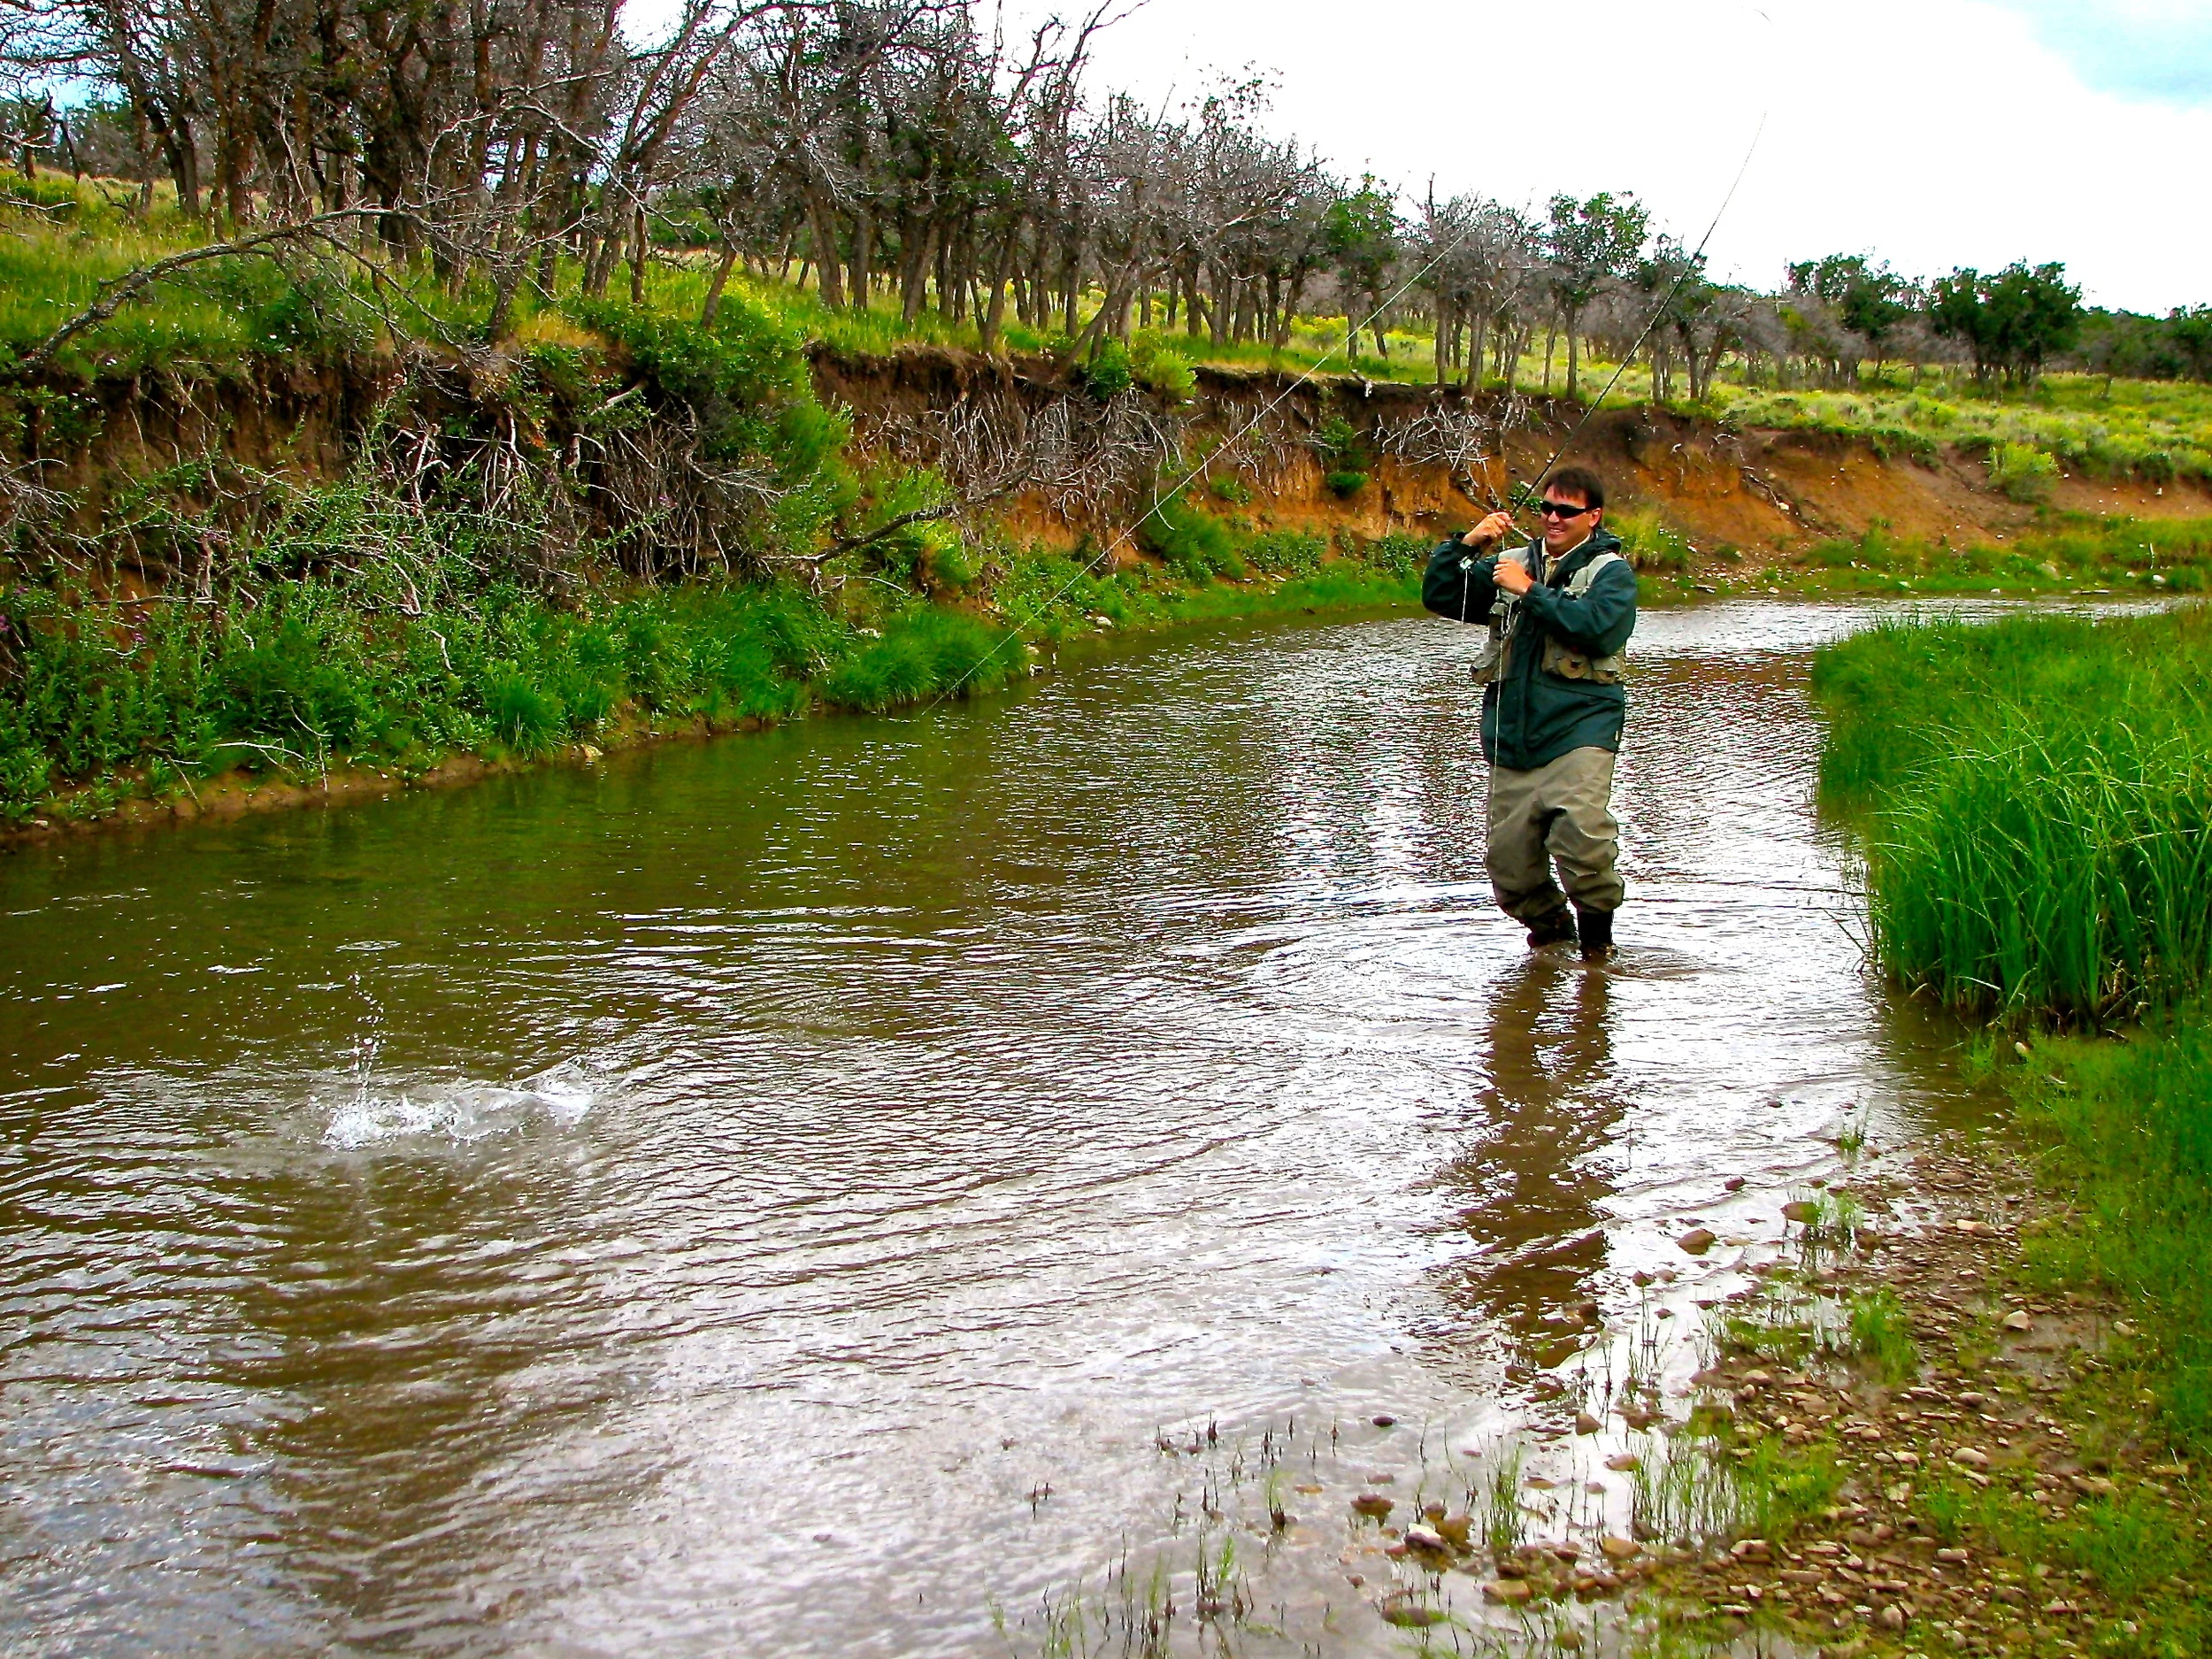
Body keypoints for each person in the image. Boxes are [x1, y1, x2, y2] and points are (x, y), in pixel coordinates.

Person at [1421, 465, 1637, 961]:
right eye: (1546, 508)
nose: (1553, 518)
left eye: (1567, 511)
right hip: (1511, 733)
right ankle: (1554, 938)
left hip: (1582, 727)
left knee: (1583, 841)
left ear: (1593, 516)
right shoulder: (1510, 563)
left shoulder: (1611, 574)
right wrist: (1467, 545)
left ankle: (1599, 954)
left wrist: (1530, 591)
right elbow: (1441, 595)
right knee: (1510, 868)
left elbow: (1599, 629)